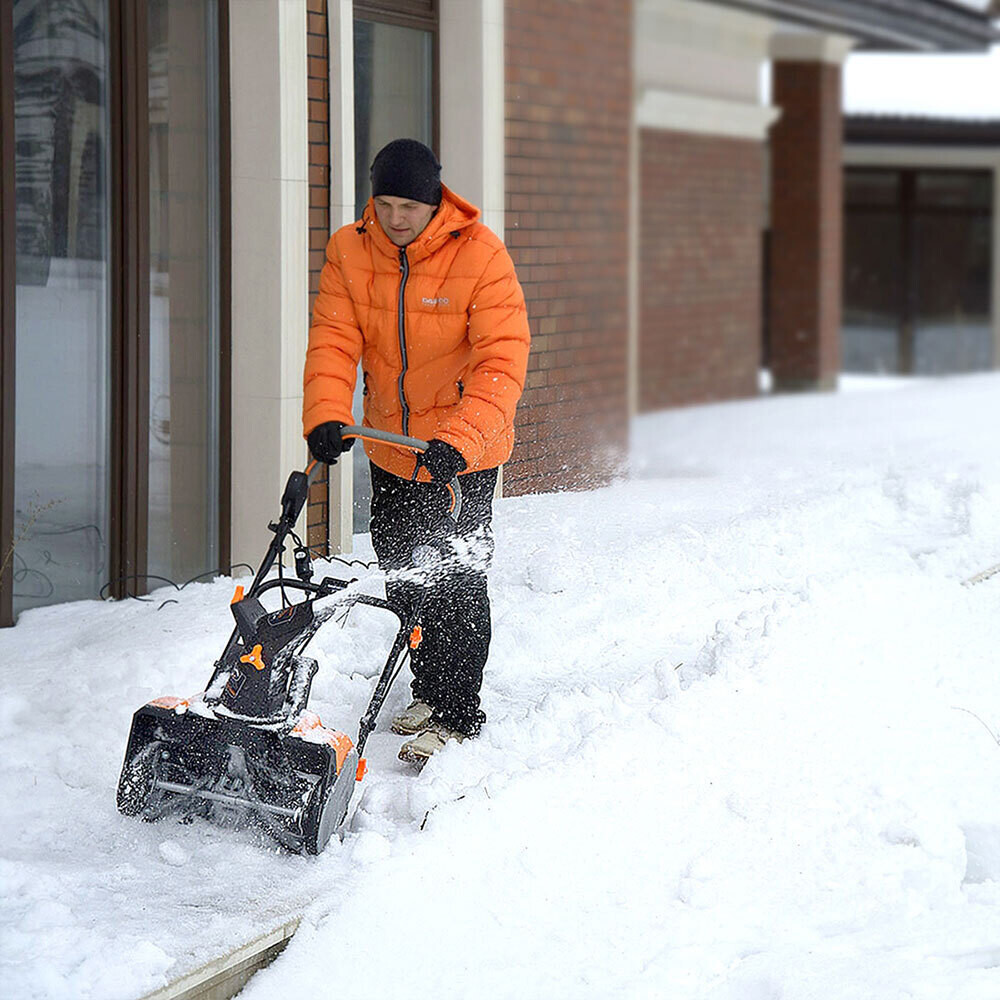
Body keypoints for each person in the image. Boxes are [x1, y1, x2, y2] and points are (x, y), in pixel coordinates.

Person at [302, 138, 530, 764]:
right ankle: (429, 689)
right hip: (390, 444)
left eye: (410, 205)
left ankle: (457, 712)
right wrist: (326, 415)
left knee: (453, 574)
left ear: (434, 202)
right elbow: (332, 339)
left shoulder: (480, 256)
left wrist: (458, 440)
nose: (397, 218)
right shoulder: (351, 249)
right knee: (404, 568)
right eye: (385, 203)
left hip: (462, 450)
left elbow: (502, 361)